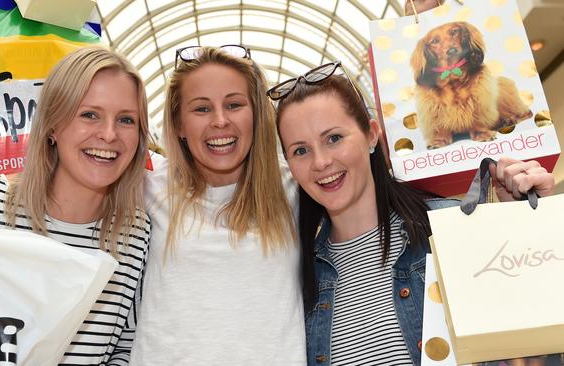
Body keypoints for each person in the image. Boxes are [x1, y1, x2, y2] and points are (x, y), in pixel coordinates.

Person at [268, 61, 555, 366]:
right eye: (300, 150)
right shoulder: (296, 276)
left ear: (371, 135)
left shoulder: (450, 230)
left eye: (334, 138)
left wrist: (526, 226)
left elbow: (533, 337)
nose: (321, 162)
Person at [0, 46, 151, 365]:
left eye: (126, 120)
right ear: (52, 125)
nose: (109, 134)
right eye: (89, 114)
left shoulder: (134, 235)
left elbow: (124, 349)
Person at [130, 46, 306, 365]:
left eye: (234, 104)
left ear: (257, 114)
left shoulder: (296, 184)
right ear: (179, 123)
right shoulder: (145, 186)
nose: (220, 121)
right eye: (201, 109)